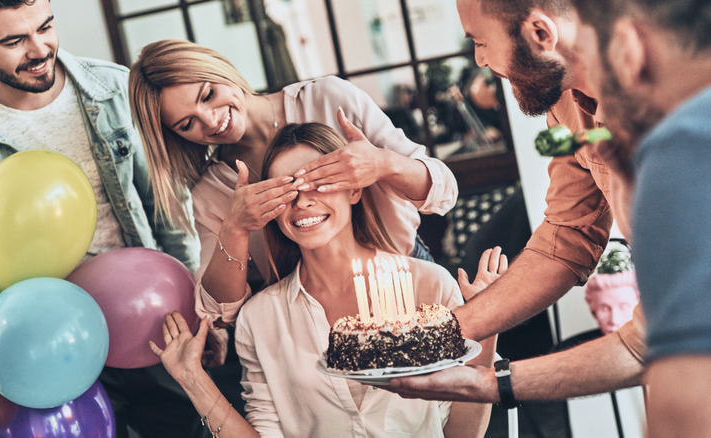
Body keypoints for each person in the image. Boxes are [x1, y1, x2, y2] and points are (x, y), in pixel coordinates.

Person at [0, 1, 203, 437]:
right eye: (14, 40)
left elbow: (168, 210)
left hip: (149, 323)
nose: (40, 49)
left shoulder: (116, 89)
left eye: (45, 27)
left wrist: (196, 309)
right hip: (42, 351)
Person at [150, 122, 504, 437]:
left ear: (354, 190)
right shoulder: (261, 319)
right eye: (287, 189)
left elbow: (462, 433)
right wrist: (191, 377)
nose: (302, 201)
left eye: (318, 182)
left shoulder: (430, 286)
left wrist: (485, 330)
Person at [384, 0, 647, 405]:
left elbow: (645, 344)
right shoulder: (565, 103)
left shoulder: (669, 103)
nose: (480, 60)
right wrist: (441, 335)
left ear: (540, 33)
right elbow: (568, 235)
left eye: (481, 42)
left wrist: (489, 384)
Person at [128, 40, 459, 335]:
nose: (211, 121)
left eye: (209, 95)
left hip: (405, 281)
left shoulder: (330, 100)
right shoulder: (212, 191)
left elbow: (443, 189)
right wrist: (236, 227)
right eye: (187, 124)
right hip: (314, 321)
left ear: (220, 70)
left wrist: (384, 164)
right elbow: (218, 311)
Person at [568, 0, 711, 435]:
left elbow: (687, 414)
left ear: (629, 50)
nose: (591, 90)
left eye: (585, 61)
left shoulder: (683, 142)